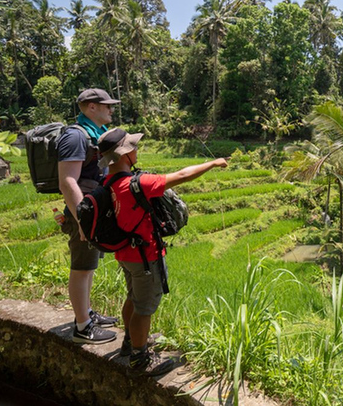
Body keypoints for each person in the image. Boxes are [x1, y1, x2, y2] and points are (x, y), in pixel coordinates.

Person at [97, 127, 228, 376]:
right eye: (133, 147)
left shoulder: (109, 182)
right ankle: (140, 358)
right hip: (146, 257)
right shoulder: (137, 184)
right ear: (125, 155)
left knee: (133, 298)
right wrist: (213, 163)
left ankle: (129, 343)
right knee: (144, 309)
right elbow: (183, 174)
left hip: (126, 254)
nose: (137, 150)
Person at [58, 88, 121, 344]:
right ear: (91, 107)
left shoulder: (93, 135)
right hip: (82, 212)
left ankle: (87, 313)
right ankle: (83, 327)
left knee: (89, 266)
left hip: (92, 209)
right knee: (81, 268)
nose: (111, 109)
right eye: (106, 105)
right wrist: (83, 220)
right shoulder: (75, 136)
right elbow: (67, 182)